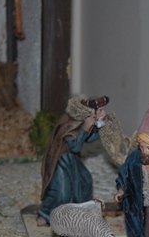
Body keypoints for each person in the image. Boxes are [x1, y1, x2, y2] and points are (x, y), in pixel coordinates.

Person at [37, 96, 108, 226]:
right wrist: (85, 128)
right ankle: (46, 214)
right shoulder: (72, 122)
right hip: (61, 159)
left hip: (72, 158)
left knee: (85, 181)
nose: (103, 113)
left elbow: (87, 139)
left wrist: (101, 131)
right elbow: (75, 146)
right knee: (62, 191)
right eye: (100, 110)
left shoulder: (83, 120)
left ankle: (82, 212)